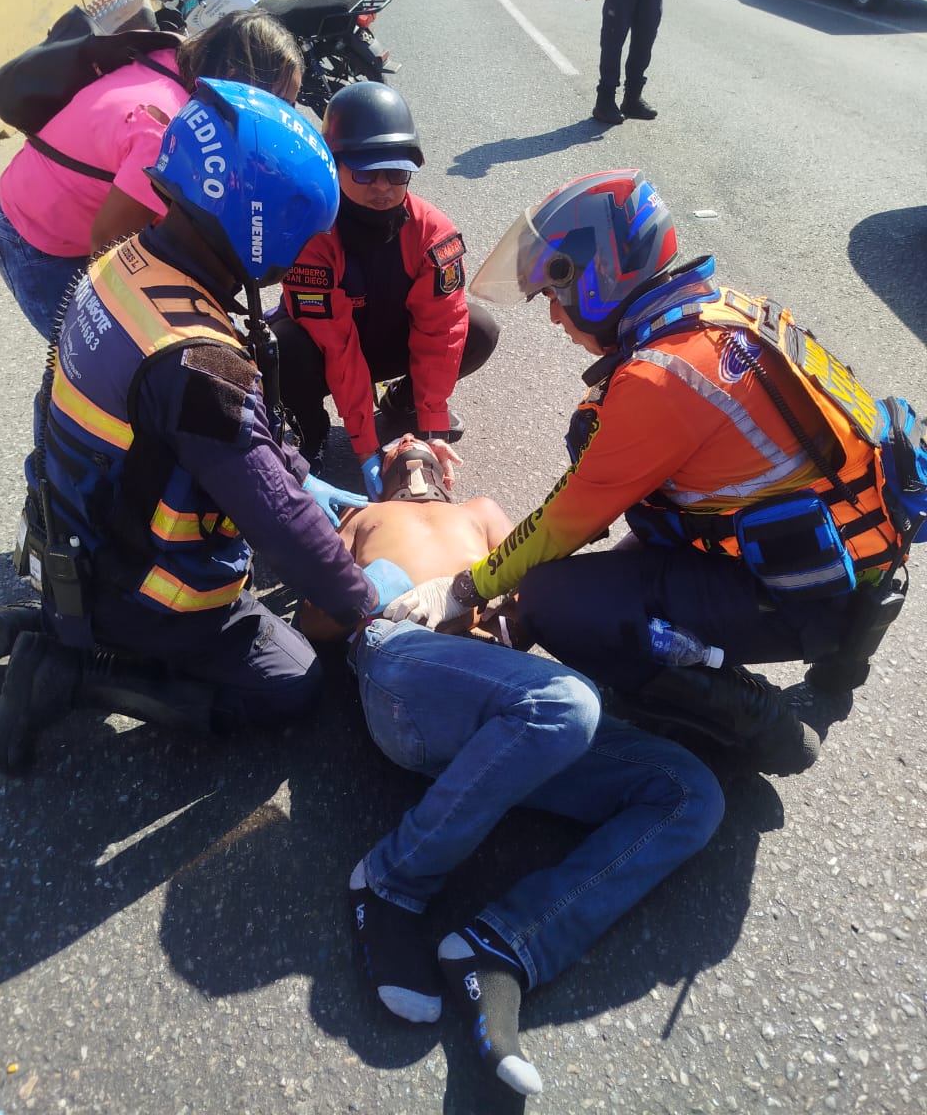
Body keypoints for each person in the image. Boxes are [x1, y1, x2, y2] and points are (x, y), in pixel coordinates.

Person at [384, 169, 916, 775]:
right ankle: (848, 644)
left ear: (598, 279)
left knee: (554, 597)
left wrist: (462, 588)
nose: (555, 318)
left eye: (554, 295)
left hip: (805, 591)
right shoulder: (721, 312)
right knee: (605, 553)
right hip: (853, 552)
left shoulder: (662, 378)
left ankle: (758, 723)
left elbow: (569, 519)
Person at [0, 78, 412, 777]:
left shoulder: (123, 263)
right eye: (296, 238)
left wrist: (306, 478)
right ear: (262, 227)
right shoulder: (199, 363)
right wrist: (367, 601)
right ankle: (81, 673)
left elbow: (229, 440)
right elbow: (275, 520)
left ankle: (62, 627)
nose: (294, 259)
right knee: (293, 682)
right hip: (140, 585)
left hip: (73, 534)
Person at [300, 435, 725, 1096]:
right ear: (379, 473)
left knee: (689, 793)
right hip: (404, 668)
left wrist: (497, 612)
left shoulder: (482, 510)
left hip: (518, 708)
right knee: (567, 702)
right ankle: (390, 882)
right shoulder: (363, 517)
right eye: (396, 446)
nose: (411, 446)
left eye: (424, 445)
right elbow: (315, 621)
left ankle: (505, 947)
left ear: (447, 467)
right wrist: (374, 583)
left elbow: (535, 586)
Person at [0, 8, 304, 339]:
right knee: (87, 357)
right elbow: (107, 245)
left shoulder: (183, 59)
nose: (283, 116)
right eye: (279, 102)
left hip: (59, 195)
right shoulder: (167, 130)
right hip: (36, 239)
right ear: (235, 74)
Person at [268, 81, 500, 495]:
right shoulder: (310, 236)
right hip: (326, 352)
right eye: (364, 172)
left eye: (396, 173)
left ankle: (402, 404)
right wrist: (364, 449)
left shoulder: (434, 234)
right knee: (282, 345)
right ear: (333, 165)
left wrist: (434, 425)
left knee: (478, 329)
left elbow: (441, 333)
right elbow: (338, 347)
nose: (382, 187)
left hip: (392, 340)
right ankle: (312, 430)